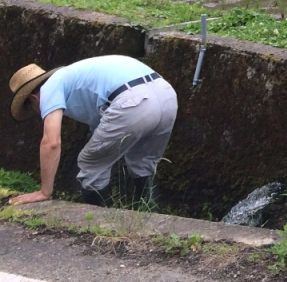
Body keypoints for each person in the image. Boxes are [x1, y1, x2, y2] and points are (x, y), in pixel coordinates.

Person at [8, 56, 178, 207]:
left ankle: (101, 223)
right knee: (143, 162)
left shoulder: (48, 88)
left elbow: (51, 143)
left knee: (90, 164)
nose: (36, 113)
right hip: (166, 95)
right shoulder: (75, 79)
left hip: (131, 101)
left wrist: (44, 192)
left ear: (33, 98)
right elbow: (103, 128)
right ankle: (149, 220)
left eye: (30, 108)